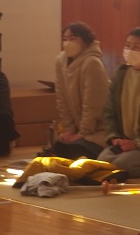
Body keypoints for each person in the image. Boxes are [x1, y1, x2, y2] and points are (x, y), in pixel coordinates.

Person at [50, 21, 109, 159]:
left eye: (73, 38)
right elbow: (61, 98)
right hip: (77, 128)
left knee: (77, 149)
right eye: (65, 39)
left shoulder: (92, 62)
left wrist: (83, 133)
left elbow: (93, 104)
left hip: (98, 129)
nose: (68, 43)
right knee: (59, 147)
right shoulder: (61, 60)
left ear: (85, 41)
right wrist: (69, 129)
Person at [96, 28, 140, 177]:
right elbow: (110, 110)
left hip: (137, 144)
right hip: (125, 141)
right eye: (128, 46)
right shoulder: (121, 73)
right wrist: (114, 137)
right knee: (102, 161)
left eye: (136, 47)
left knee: (121, 165)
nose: (130, 51)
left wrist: (136, 143)